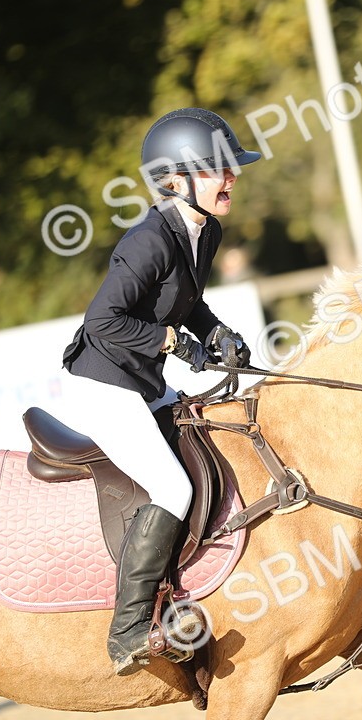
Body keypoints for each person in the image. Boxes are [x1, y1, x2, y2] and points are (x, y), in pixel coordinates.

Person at [58, 107, 259, 675]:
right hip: (103, 384)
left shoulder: (205, 230)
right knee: (172, 486)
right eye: (220, 169)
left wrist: (213, 330)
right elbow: (103, 322)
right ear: (177, 178)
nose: (232, 178)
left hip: (142, 380)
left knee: (214, 433)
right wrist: (171, 342)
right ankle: (127, 633)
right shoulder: (147, 239)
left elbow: (185, 298)